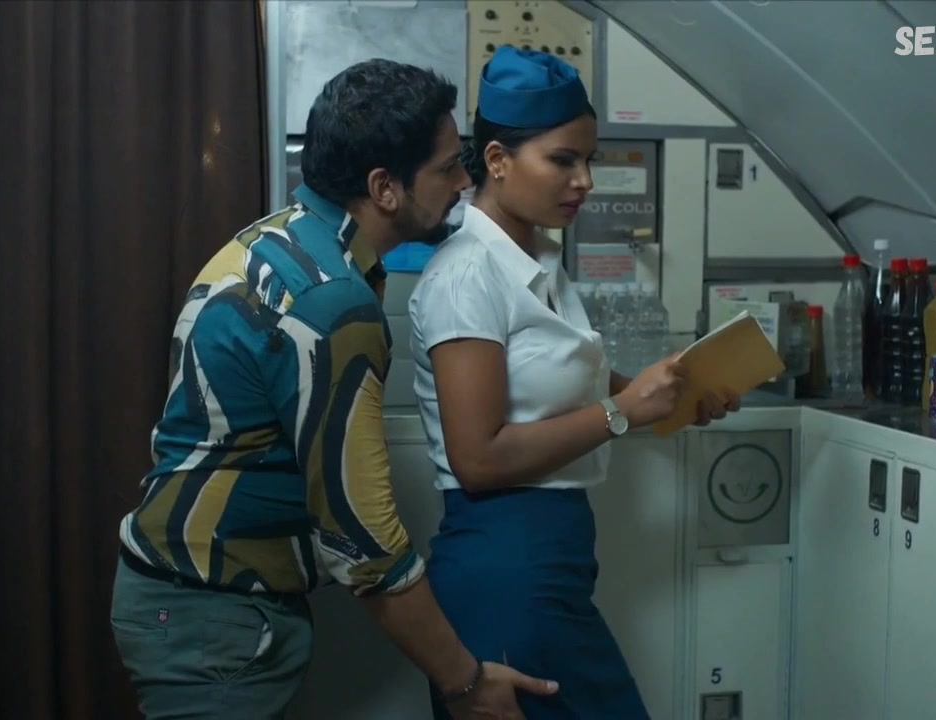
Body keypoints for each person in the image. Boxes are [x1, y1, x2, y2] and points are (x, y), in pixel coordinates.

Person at [110, 58, 559, 720]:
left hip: (191, 601)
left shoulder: (282, 239)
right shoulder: (332, 302)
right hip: (211, 615)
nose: (465, 181)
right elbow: (363, 540)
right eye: (446, 168)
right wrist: (465, 684)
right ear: (384, 188)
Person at [407, 47, 742, 719]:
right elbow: (478, 459)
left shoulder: (536, 260)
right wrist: (623, 409)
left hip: (551, 561)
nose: (584, 180)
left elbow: (564, 382)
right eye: (563, 160)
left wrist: (672, 393)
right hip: (506, 565)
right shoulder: (468, 274)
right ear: (497, 159)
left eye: (589, 160)